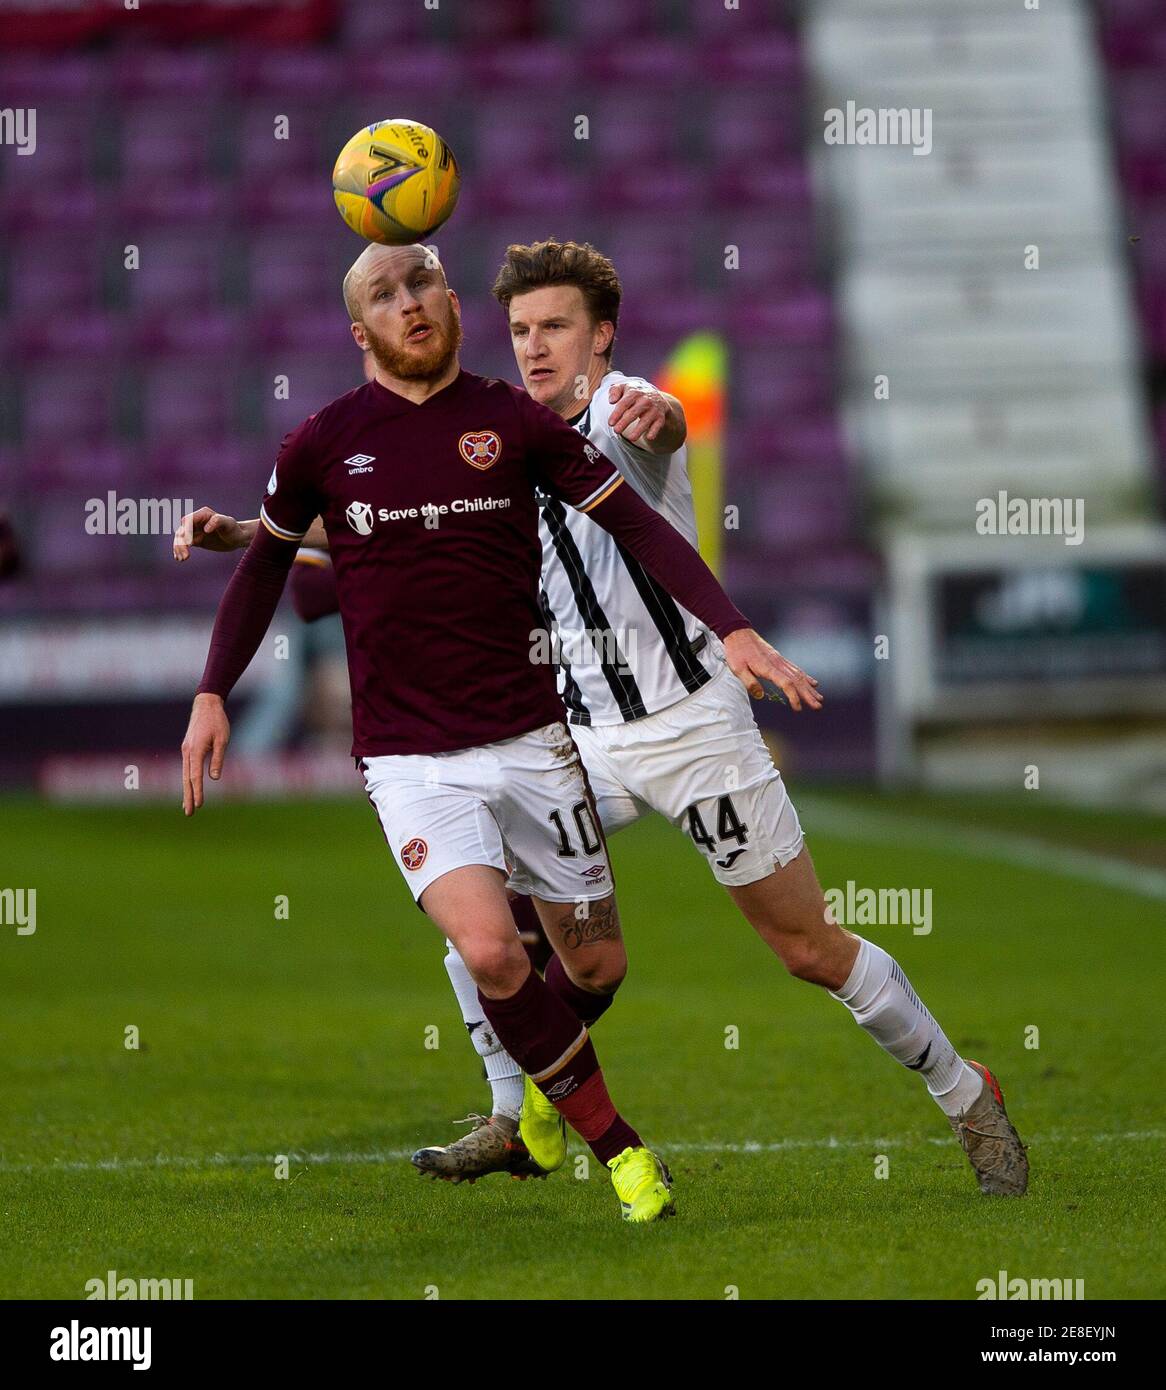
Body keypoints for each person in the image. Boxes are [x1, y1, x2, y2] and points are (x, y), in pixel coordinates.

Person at [177, 240, 1028, 1200]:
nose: (537, 349)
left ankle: (967, 1093)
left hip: (691, 726)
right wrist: (252, 535)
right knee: (484, 937)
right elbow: (389, 525)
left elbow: (657, 434)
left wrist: (665, 418)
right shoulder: (489, 435)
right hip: (572, 737)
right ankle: (518, 1120)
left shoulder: (623, 412)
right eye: (523, 330)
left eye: (558, 329)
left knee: (806, 950)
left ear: (603, 336)